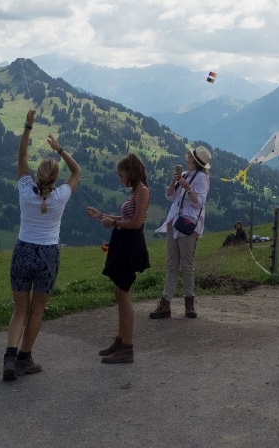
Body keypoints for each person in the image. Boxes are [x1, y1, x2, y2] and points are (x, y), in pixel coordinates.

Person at [4, 109, 81, 381]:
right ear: (55, 178)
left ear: (37, 175)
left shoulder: (25, 190)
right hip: (48, 254)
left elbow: (21, 156)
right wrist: (59, 149)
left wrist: (28, 125)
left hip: (23, 250)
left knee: (19, 310)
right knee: (36, 311)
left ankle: (9, 358)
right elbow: (77, 170)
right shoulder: (60, 196)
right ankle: (25, 357)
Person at [87, 153, 151, 364]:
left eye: (122, 175)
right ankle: (121, 340)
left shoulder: (142, 191)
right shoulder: (135, 192)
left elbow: (136, 223)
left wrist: (113, 224)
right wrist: (100, 216)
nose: (120, 179)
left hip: (131, 246)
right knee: (119, 292)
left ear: (131, 173)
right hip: (124, 244)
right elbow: (126, 218)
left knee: (123, 295)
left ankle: (127, 347)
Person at [149, 145, 212, 319]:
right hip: (174, 223)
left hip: (187, 224)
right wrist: (174, 181)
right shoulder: (184, 174)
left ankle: (189, 303)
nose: (186, 157)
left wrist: (188, 188)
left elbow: (198, 202)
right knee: (171, 264)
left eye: (189, 156)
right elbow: (169, 196)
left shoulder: (201, 179)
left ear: (193, 160)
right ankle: (166, 303)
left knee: (186, 265)